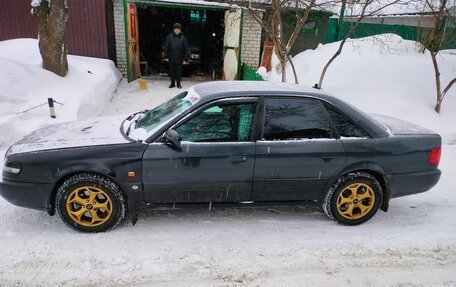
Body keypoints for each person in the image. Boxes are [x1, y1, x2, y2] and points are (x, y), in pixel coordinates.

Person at [164, 23, 189, 89]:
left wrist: (185, 59)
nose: (177, 30)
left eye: (178, 29)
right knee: (172, 71)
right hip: (171, 56)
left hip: (179, 57)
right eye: (176, 29)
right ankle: (172, 84)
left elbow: (186, 49)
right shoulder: (169, 37)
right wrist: (166, 56)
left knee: (178, 72)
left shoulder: (183, 38)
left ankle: (178, 84)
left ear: (180, 30)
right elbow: (166, 47)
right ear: (174, 29)